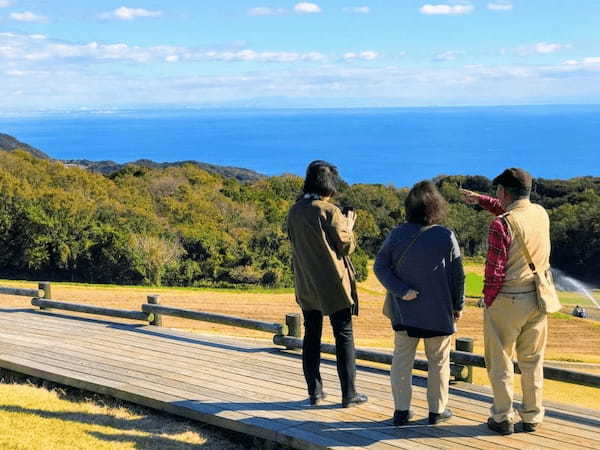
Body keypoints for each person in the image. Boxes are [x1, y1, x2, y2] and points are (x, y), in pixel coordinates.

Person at [461, 168, 550, 435]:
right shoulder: (541, 214)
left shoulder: (501, 224)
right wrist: (481, 199)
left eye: (498, 191)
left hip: (508, 299)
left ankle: (502, 417)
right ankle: (533, 416)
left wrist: (487, 301)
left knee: (500, 361)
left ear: (504, 192)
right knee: (532, 360)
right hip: (538, 296)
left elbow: (495, 270)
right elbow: (511, 215)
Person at [374, 180, 464, 426]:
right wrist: (458, 306)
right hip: (438, 312)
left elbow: (379, 266)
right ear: (436, 207)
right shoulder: (446, 236)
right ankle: (437, 411)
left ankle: (401, 412)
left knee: (402, 361)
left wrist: (401, 291)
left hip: (404, 312)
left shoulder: (397, 234)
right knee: (439, 363)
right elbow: (458, 276)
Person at [286, 160, 368, 408]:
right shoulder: (329, 211)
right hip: (333, 283)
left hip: (306, 282)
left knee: (312, 336)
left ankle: (315, 392)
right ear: (330, 186)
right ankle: (349, 394)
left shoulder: (295, 211)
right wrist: (349, 226)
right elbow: (346, 246)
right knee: (344, 335)